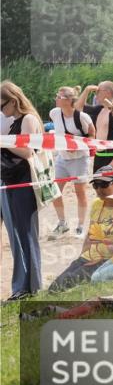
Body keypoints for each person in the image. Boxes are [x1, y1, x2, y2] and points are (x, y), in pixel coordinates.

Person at [48, 167, 113, 291]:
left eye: (103, 184)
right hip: (91, 255)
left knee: (64, 285)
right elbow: (90, 235)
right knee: (56, 284)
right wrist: (81, 257)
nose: (99, 189)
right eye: (96, 185)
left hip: (109, 258)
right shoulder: (97, 204)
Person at [1, 82, 43, 301]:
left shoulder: (28, 119)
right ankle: (24, 286)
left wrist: (3, 142)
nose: (1, 110)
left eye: (2, 105)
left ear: (13, 100)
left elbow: (27, 151)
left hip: (24, 182)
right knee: (18, 235)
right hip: (13, 181)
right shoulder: (15, 121)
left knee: (26, 235)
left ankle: (31, 287)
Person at [49, 86, 95, 237]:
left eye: (59, 97)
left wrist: (76, 147)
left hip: (80, 159)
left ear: (69, 101)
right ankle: (62, 223)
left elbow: (92, 136)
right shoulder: (54, 113)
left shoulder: (82, 117)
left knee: (80, 192)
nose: (56, 98)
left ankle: (81, 226)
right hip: (62, 158)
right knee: (55, 191)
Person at [76, 81, 113, 172]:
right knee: (97, 186)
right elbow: (78, 108)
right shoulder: (99, 109)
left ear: (107, 92)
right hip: (98, 155)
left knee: (109, 186)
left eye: (98, 91)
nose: (96, 94)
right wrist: (87, 90)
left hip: (111, 156)